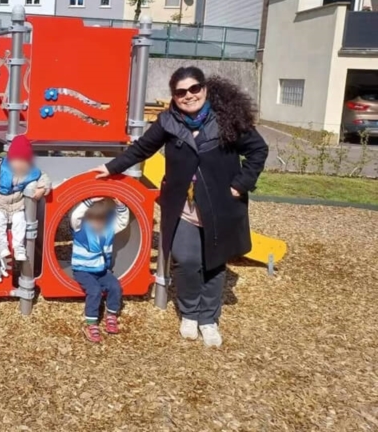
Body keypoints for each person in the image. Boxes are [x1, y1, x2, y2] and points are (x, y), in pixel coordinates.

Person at [93, 67, 268, 347]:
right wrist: (111, 166)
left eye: (194, 89)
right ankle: (189, 312)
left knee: (214, 263)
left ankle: (208, 319)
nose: (189, 96)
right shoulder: (168, 122)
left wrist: (241, 183)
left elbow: (258, 150)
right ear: (173, 97)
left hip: (220, 204)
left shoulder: (226, 120)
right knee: (185, 260)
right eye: (181, 92)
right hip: (183, 204)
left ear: (205, 88)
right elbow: (141, 150)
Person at [0, 135, 52, 261]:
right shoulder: (0, 171)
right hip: (1, 205)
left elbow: (44, 178)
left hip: (18, 206)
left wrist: (42, 189)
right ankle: (1, 245)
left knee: (20, 221)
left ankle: (18, 247)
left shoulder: (32, 171)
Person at [70, 198, 130, 343]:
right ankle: (91, 324)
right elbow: (75, 216)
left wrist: (121, 206)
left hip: (101, 270)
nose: (97, 222)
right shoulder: (80, 229)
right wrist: (89, 202)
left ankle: (111, 315)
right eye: (93, 219)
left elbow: (122, 222)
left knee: (115, 286)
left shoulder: (108, 229)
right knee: (94, 291)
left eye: (101, 219)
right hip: (82, 270)